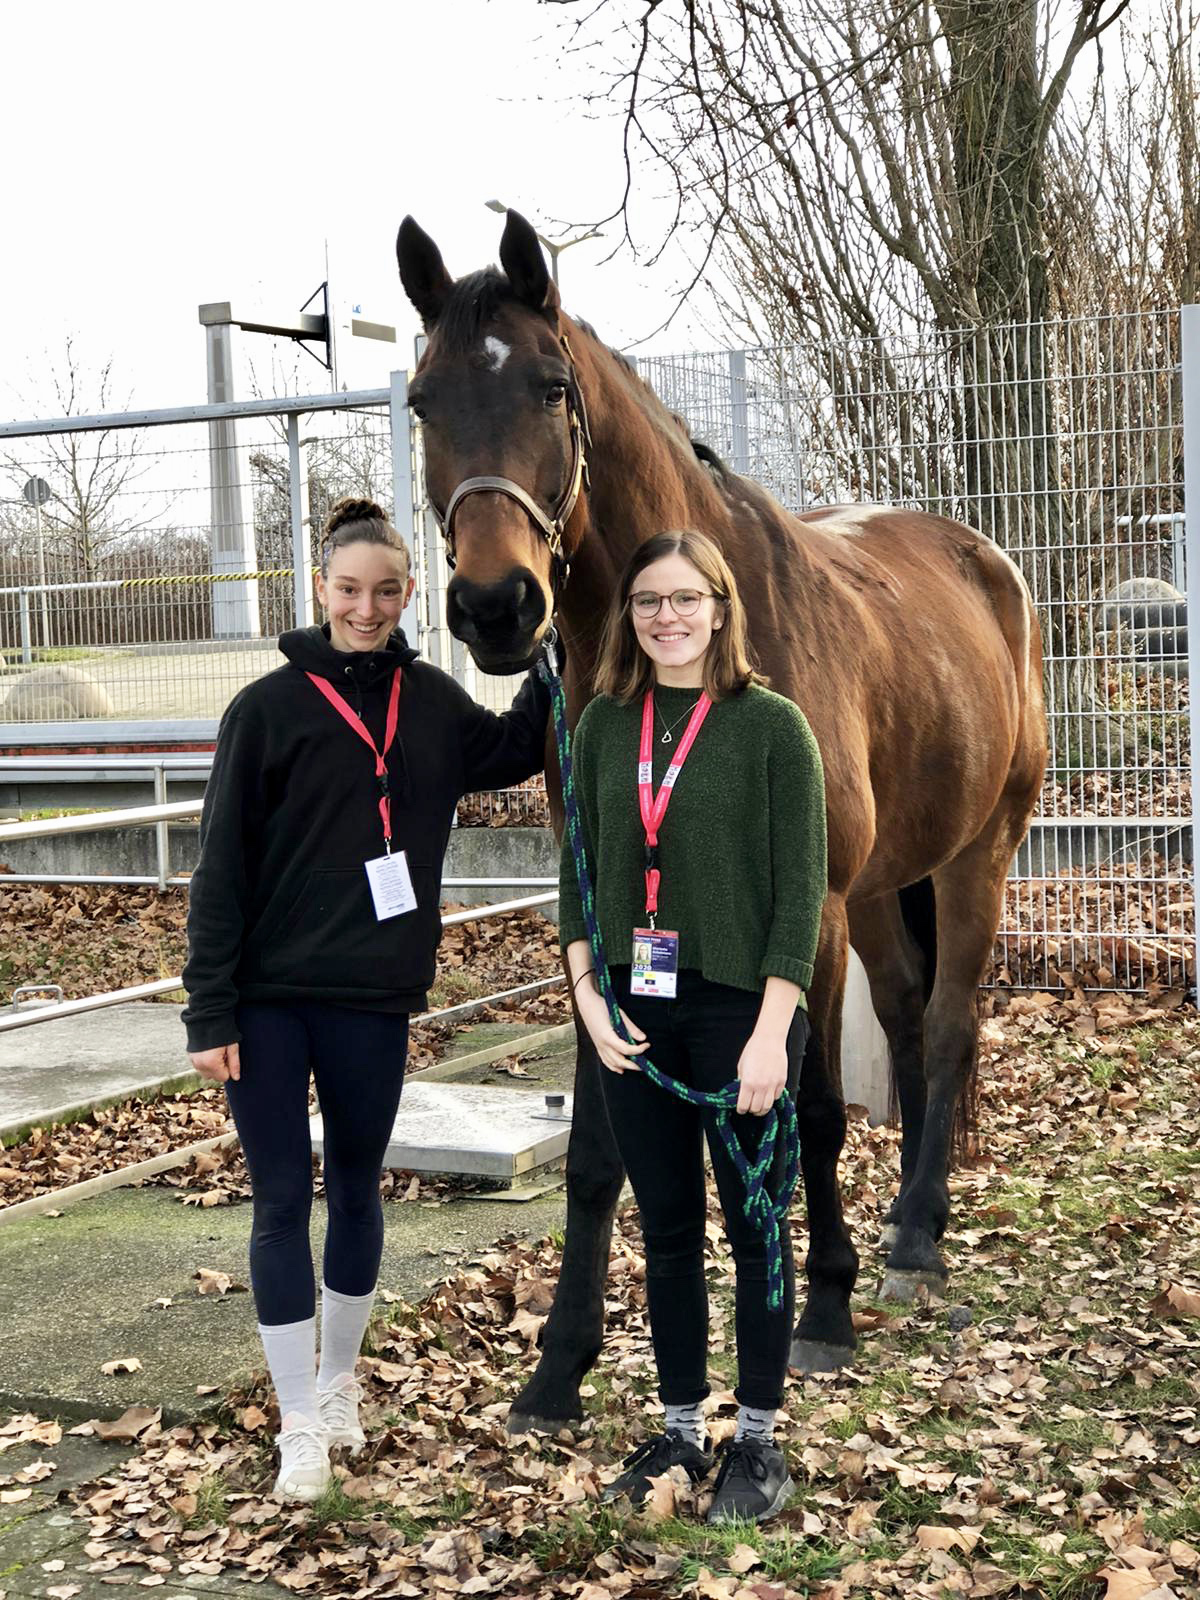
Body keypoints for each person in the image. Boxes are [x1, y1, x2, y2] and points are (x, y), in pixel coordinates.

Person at [182, 498, 550, 1503]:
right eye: (350, 589)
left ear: (410, 594)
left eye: (387, 591)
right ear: (320, 590)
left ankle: (339, 1384)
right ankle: (298, 1421)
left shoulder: (430, 700)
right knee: (276, 1200)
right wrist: (207, 1010)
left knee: (355, 1187)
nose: (367, 607)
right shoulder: (265, 710)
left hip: (373, 996)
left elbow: (515, 747)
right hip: (265, 1000)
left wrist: (553, 645)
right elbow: (219, 872)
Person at [558, 528, 827, 1525]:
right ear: (628, 617)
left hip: (741, 1011)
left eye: (685, 598)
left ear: (720, 605)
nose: (666, 617)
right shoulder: (600, 726)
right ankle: (680, 1426)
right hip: (631, 1007)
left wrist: (772, 1034)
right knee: (667, 1228)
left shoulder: (772, 727)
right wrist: (589, 997)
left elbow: (801, 898)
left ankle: (757, 1441)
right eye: (646, 602)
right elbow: (575, 875)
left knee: (756, 1224)